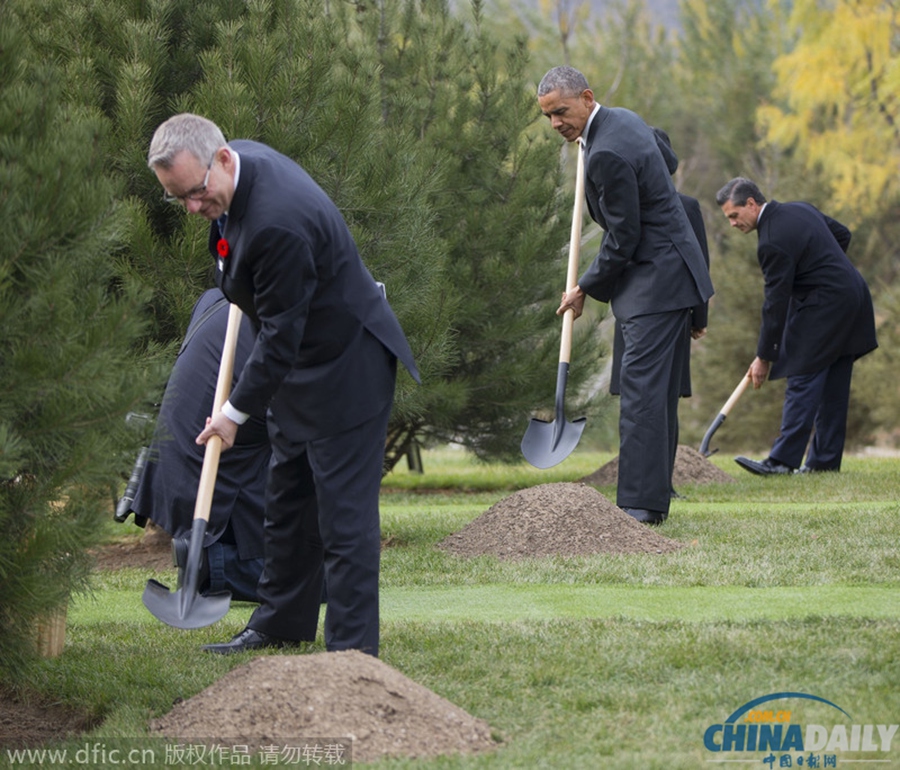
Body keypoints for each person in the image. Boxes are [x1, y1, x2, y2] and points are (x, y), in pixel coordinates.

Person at [147, 113, 419, 656]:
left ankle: (352, 655)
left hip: (347, 369)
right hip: (301, 370)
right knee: (288, 504)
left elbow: (278, 340)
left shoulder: (277, 223)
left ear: (223, 159)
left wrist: (232, 412)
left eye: (197, 194)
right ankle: (280, 623)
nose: (194, 209)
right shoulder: (234, 170)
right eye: (179, 200)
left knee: (343, 521)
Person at [537, 66, 714, 525]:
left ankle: (638, 508)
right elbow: (665, 162)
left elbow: (624, 236)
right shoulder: (623, 121)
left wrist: (584, 289)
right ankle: (653, 498)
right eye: (548, 117)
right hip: (671, 276)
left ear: (587, 98)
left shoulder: (605, 152)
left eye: (562, 111)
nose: (556, 123)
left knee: (640, 396)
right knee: (656, 394)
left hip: (656, 281)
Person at [715, 177, 877, 475]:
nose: (733, 224)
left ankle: (781, 462)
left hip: (826, 305)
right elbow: (842, 235)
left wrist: (764, 357)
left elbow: (774, 304)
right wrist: (825, 269)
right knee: (834, 380)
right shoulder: (799, 209)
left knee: (802, 374)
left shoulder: (771, 241)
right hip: (853, 294)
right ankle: (824, 463)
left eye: (734, 216)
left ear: (751, 204)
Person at [121, 288, 270, 603]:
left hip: (184, 481)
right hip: (210, 495)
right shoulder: (277, 330)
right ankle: (215, 565)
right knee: (317, 577)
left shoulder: (214, 300)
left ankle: (209, 556)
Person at [609, 127, 711, 497]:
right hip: (641, 311)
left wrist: (699, 318)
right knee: (650, 397)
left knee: (659, 397)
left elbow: (696, 261)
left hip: (660, 310)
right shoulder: (627, 204)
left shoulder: (683, 207)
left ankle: (657, 484)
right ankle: (650, 482)